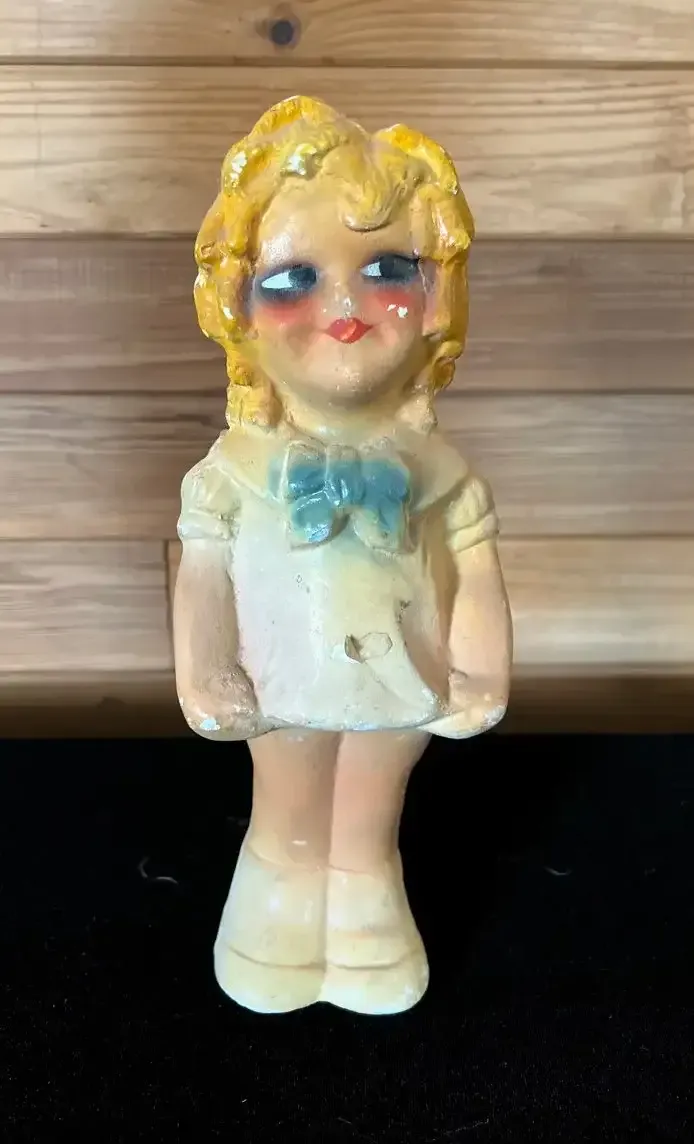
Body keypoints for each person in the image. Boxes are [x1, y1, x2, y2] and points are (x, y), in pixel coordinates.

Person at [173, 96, 512, 1014]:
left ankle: (366, 903)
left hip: (405, 678)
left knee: (372, 796)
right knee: (289, 791)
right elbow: (203, 575)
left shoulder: (439, 473)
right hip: (282, 685)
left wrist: (481, 670)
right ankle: (275, 905)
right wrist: (205, 671)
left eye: (389, 269)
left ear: (437, 298)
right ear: (237, 309)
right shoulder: (233, 474)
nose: (346, 307)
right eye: (293, 279)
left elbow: (473, 572)